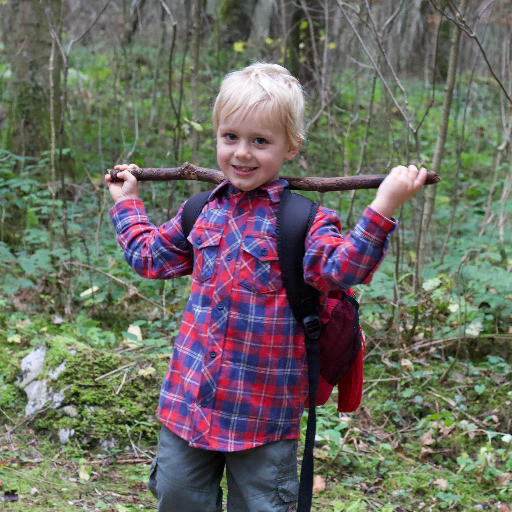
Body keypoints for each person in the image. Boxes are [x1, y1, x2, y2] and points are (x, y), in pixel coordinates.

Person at [105, 62, 426, 512]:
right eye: (230, 137)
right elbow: (149, 257)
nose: (242, 153)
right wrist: (128, 204)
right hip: (188, 403)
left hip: (263, 412)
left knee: (262, 506)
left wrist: (384, 205)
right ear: (216, 135)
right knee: (178, 496)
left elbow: (343, 269)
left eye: (261, 141)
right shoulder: (201, 210)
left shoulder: (303, 222)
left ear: (290, 146)